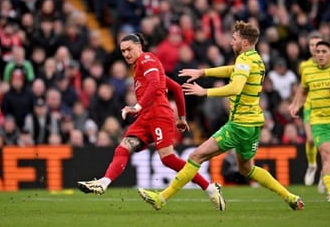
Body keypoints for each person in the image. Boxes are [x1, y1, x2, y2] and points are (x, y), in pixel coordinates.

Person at [138, 21, 304, 211]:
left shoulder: (244, 60)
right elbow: (231, 70)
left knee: (195, 156)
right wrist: (203, 72)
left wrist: (204, 92)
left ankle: (162, 198)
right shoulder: (256, 59)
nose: (231, 42)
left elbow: (235, 87)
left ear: (244, 42)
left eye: (234, 39)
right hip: (253, 124)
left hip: (238, 125)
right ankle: (290, 197)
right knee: (247, 169)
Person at [76, 33, 225, 210]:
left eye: (129, 49)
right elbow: (176, 88)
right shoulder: (141, 67)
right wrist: (182, 118)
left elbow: (155, 85)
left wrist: (136, 107)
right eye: (123, 51)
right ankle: (104, 182)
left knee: (168, 158)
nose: (126, 54)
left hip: (158, 114)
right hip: (145, 117)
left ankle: (210, 188)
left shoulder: (147, 59)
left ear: (139, 47)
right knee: (124, 146)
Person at [289, 40, 330, 202]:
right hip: (319, 121)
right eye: (317, 51)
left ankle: (323, 177)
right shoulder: (308, 71)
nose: (320, 54)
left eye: (324, 51)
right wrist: (296, 104)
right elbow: (303, 90)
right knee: (326, 156)